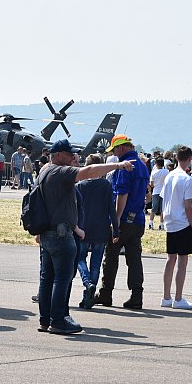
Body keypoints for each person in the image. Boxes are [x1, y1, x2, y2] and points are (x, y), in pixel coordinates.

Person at [38, 139, 133, 333]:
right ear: (57, 156)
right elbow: (89, 172)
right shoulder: (59, 171)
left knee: (47, 278)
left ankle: (45, 319)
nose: (73, 156)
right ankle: (58, 320)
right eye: (68, 153)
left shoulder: (44, 172)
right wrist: (118, 165)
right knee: (61, 279)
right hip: (61, 234)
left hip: (47, 231)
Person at [96, 135, 151, 310]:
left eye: (114, 150)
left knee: (111, 255)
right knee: (134, 259)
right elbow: (147, 193)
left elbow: (122, 193)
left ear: (121, 148)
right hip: (138, 219)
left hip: (124, 218)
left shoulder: (125, 166)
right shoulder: (142, 165)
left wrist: (116, 219)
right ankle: (136, 295)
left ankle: (106, 293)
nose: (114, 153)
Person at [74, 154, 119, 310]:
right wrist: (116, 229)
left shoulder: (80, 186)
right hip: (102, 227)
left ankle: (88, 284)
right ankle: (89, 294)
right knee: (96, 262)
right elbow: (111, 209)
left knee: (80, 258)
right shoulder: (106, 185)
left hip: (84, 227)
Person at [161, 146, 192, 309]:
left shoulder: (169, 176)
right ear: (190, 159)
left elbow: (163, 199)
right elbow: (188, 205)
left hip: (170, 221)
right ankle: (178, 298)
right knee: (182, 260)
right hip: (182, 222)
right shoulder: (187, 179)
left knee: (171, 259)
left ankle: (166, 297)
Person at [148, 157, 169, 230]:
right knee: (162, 209)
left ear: (156, 164)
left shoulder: (154, 172)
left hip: (156, 191)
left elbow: (151, 184)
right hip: (163, 192)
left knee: (154, 209)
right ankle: (161, 224)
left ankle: (151, 223)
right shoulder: (166, 171)